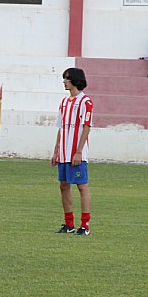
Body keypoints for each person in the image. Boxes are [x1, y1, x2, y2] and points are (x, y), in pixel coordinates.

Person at [50, 68, 93, 236]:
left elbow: (86, 127)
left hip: (77, 152)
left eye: (66, 78)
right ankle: (69, 224)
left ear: (74, 80)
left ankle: (85, 225)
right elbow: (61, 128)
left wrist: (79, 152)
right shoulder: (64, 102)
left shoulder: (85, 102)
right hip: (63, 153)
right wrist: (56, 152)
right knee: (63, 186)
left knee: (82, 186)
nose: (64, 81)